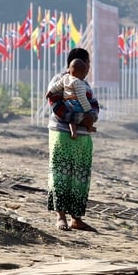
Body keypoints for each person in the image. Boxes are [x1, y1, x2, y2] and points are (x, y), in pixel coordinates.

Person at [46, 48, 99, 232]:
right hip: (61, 133)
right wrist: (80, 119)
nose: (89, 67)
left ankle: (76, 218)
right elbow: (56, 106)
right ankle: (60, 217)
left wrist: (91, 117)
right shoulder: (59, 80)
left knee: (80, 176)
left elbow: (94, 106)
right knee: (61, 173)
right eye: (87, 63)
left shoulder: (85, 85)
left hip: (83, 137)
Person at [46, 58, 93, 139]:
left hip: (67, 102)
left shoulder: (65, 78)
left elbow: (57, 86)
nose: (85, 76)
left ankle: (77, 129)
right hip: (76, 103)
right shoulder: (79, 84)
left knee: (72, 118)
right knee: (77, 118)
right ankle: (75, 131)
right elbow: (82, 99)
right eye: (84, 74)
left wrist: (50, 92)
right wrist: (88, 110)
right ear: (81, 74)